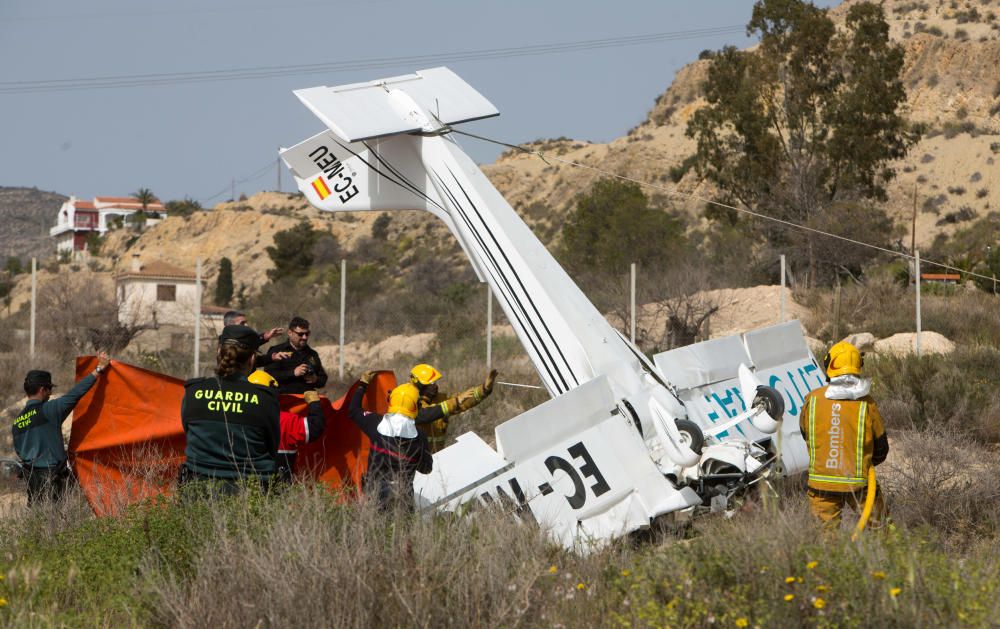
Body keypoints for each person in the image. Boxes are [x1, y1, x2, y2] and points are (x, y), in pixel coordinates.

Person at [179, 325, 281, 495]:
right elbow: (272, 447)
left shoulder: (193, 392)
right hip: (251, 493)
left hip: (198, 492)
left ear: (219, 352)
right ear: (252, 359)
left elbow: (188, 431)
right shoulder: (265, 398)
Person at [799, 341, 889, 527]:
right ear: (858, 366)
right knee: (881, 530)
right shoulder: (867, 403)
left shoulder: (812, 399)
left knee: (825, 540)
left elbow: (805, 434)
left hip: (821, 485)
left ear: (828, 365)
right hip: (859, 485)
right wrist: (864, 463)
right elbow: (882, 448)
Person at [13, 351, 111, 505]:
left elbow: (20, 452)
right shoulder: (50, 410)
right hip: (53, 479)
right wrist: (99, 369)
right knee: (57, 519)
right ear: (42, 390)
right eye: (49, 389)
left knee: (38, 518)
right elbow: (76, 394)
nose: (51, 393)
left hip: (32, 480)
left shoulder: (17, 422)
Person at [348, 370, 432, 511]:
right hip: (404, 498)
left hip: (375, 497)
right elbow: (426, 469)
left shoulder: (376, 423)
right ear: (415, 406)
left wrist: (363, 385)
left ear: (391, 401)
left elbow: (353, 410)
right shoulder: (420, 437)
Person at [247, 369, 325, 482]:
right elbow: (315, 428)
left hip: (242, 487)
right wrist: (314, 404)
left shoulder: (233, 418)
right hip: (280, 488)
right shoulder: (285, 420)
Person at [401, 364, 498, 453]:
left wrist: (484, 389)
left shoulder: (439, 400)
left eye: (435, 382)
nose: (435, 386)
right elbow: (425, 414)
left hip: (438, 458)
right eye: (431, 383)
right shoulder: (408, 402)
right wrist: (455, 401)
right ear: (419, 385)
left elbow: (461, 403)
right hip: (415, 461)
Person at [263, 316, 327, 394]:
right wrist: (293, 373)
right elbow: (269, 376)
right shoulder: (277, 351)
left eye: (307, 334)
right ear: (290, 333)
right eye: (300, 334)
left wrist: (315, 379)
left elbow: (323, 378)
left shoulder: (312, 354)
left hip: (307, 400)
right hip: (284, 398)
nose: (304, 337)